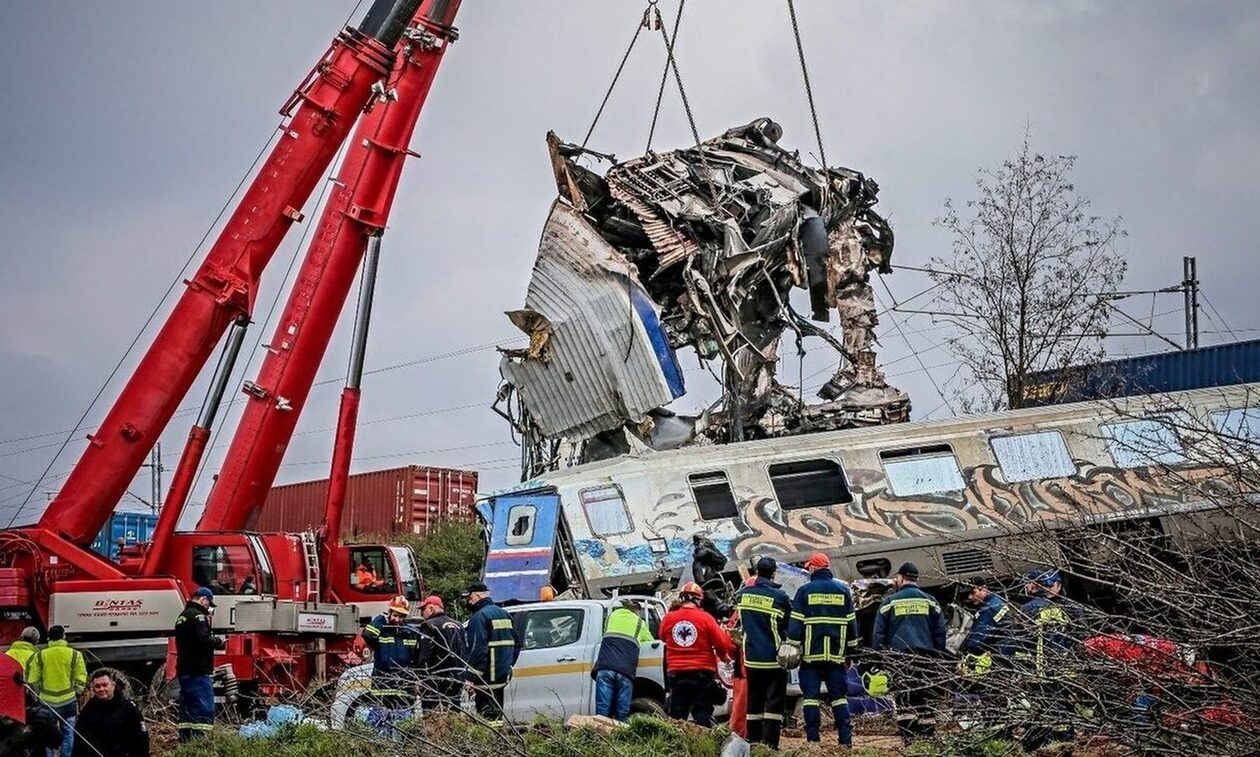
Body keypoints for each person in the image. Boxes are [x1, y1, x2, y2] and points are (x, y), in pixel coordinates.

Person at [785, 553, 858, 747]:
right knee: (839, 698)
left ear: (814, 569)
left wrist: (793, 650)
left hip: (811, 656)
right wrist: (850, 654)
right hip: (836, 656)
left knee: (810, 698)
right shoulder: (843, 592)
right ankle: (845, 742)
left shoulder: (804, 591)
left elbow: (795, 626)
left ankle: (813, 741)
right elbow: (852, 626)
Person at [873, 562, 947, 743]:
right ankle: (927, 737)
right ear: (917, 578)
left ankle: (909, 739)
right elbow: (940, 632)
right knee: (926, 696)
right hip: (926, 657)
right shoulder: (930, 601)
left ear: (900, 578)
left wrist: (880, 657)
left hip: (900, 657)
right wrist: (939, 655)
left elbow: (878, 634)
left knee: (905, 697)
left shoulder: (889, 602)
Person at [1013, 568, 1085, 750]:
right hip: (1065, 670)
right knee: (1063, 706)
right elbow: (1082, 639)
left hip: (1039, 671)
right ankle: (1065, 741)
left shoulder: (1029, 609)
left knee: (1043, 709)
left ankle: (1042, 745)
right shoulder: (1073, 609)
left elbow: (1018, 641)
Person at [733, 556, 792, 749]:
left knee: (754, 703)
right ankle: (771, 745)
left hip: (751, 659)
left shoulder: (743, 595)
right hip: (774, 659)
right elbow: (788, 626)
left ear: (757, 571)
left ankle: (754, 742)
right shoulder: (780, 597)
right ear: (773, 572)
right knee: (774, 705)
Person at [660, 582, 734, 727]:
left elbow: (663, 637)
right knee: (702, 712)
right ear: (698, 599)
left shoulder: (669, 618)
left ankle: (676, 745)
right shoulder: (705, 618)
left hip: (676, 674)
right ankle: (705, 744)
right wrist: (723, 655)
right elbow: (721, 642)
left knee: (677, 717)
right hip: (701, 673)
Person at [463, 582, 521, 723]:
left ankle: (491, 741)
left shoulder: (479, 617)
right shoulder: (505, 614)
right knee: (497, 715)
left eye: (469, 597)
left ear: (477, 596)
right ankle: (499, 742)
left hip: (486, 677)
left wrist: (471, 677)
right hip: (501, 676)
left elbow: (478, 649)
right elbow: (517, 645)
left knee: (487, 717)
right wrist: (506, 665)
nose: (468, 601)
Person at [26, 624, 86, 756]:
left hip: (46, 702)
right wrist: (77, 692)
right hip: (68, 701)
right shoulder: (75, 654)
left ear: (49, 638)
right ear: (64, 637)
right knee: (68, 733)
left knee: (47, 735)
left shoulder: (40, 655)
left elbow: (33, 680)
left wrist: (38, 695)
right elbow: (81, 677)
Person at [591, 598, 654, 722]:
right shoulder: (639, 623)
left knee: (602, 709)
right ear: (637, 611)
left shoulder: (612, 616)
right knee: (622, 711)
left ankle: (600, 734)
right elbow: (651, 641)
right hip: (625, 671)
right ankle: (621, 735)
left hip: (605, 667)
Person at [173, 586, 223, 742]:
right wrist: (219, 640)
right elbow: (204, 640)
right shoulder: (199, 617)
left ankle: (186, 742)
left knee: (187, 709)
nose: (208, 608)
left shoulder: (182, 617)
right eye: (208, 604)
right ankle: (201, 743)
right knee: (204, 708)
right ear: (203, 599)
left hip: (184, 670)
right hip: (198, 670)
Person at [71, 669, 149, 757]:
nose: (101, 689)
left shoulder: (129, 709)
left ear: (113, 685)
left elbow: (141, 740)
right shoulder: (88, 710)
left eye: (105, 685)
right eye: (97, 686)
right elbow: (80, 741)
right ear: (93, 689)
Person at [363, 595, 424, 697]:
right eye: (395, 615)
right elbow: (368, 634)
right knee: (380, 712)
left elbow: (416, 657)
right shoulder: (382, 630)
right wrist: (381, 620)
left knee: (404, 712)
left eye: (401, 617)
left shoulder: (410, 633)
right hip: (382, 685)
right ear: (389, 613)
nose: (397, 619)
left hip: (404, 686)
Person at [417, 595, 467, 712]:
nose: (422, 615)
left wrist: (421, 678)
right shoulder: (459, 625)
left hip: (434, 680)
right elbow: (464, 652)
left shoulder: (429, 626)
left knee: (432, 717)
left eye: (423, 610)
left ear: (431, 608)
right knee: (453, 713)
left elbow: (425, 654)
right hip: (456, 678)